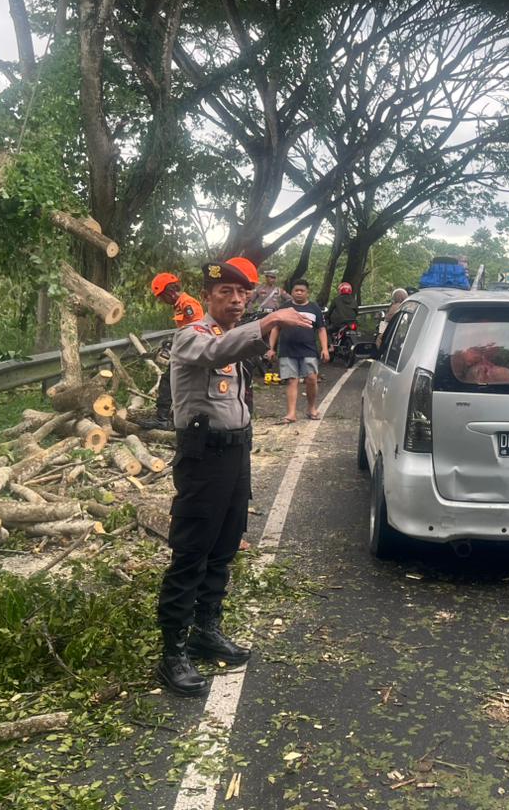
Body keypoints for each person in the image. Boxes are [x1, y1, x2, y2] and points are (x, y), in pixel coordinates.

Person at [155, 259, 318, 697]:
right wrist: (269, 320)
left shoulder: (232, 338)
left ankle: (206, 630)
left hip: (234, 454)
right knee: (191, 551)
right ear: (207, 296)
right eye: (225, 292)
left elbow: (240, 356)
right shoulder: (192, 335)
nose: (236, 299)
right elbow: (215, 354)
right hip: (203, 457)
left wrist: (265, 330)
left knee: (225, 545)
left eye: (242, 293)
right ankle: (172, 652)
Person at [145, 273, 204, 431]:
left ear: (169, 292)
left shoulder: (188, 303)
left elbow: (198, 329)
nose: (161, 300)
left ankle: (163, 419)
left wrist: (182, 345)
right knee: (173, 383)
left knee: (169, 381)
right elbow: (185, 328)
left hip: (192, 351)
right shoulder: (179, 305)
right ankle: (174, 417)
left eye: (161, 296)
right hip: (185, 349)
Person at [266, 279, 329, 422]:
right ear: (292, 292)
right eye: (296, 290)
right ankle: (291, 414)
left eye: (302, 291)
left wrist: (325, 348)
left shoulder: (314, 308)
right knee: (291, 380)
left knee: (312, 379)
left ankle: (311, 408)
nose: (299, 293)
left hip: (309, 349)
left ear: (308, 293)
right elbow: (276, 328)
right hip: (287, 349)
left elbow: (321, 329)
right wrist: (271, 348)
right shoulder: (284, 308)